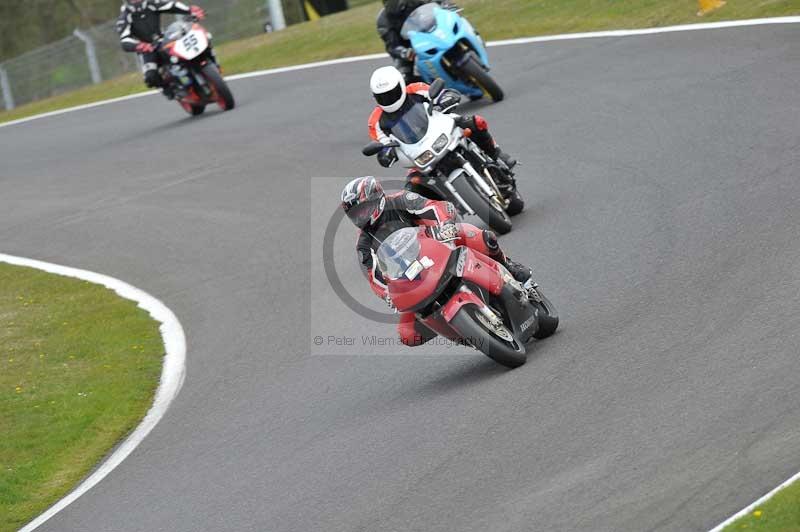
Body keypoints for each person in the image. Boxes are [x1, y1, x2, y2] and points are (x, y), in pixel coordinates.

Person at [341, 176, 536, 347]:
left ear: (377, 197)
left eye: (363, 209)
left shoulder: (401, 200)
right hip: (414, 278)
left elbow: (434, 208)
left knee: (481, 237)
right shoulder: (363, 244)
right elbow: (374, 277)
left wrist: (444, 228)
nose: (362, 216)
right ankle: (467, 334)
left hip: (439, 242)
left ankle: (509, 266)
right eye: (356, 214)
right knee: (408, 335)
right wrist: (388, 294)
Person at [367, 65, 516, 193]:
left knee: (475, 122)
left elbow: (443, 94)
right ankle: (443, 214)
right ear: (375, 97)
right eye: (383, 96)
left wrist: (444, 100)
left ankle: (497, 154)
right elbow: (381, 144)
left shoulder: (415, 90)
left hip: (440, 129)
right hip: (417, 152)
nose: (388, 99)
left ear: (401, 85)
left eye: (391, 93)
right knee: (413, 186)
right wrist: (386, 153)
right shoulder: (376, 121)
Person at [116, 0, 206, 98]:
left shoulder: (152, 3)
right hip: (146, 49)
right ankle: (170, 89)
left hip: (163, 40)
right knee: (150, 77)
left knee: (186, 49)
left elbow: (171, 5)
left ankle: (205, 63)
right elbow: (124, 39)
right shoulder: (124, 16)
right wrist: (139, 46)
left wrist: (190, 10)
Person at [376, 0, 448, 82]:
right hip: (409, 51)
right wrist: (404, 52)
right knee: (403, 79)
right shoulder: (383, 21)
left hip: (427, 36)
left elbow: (435, 3)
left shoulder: (414, 2)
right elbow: (392, 46)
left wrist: (446, 6)